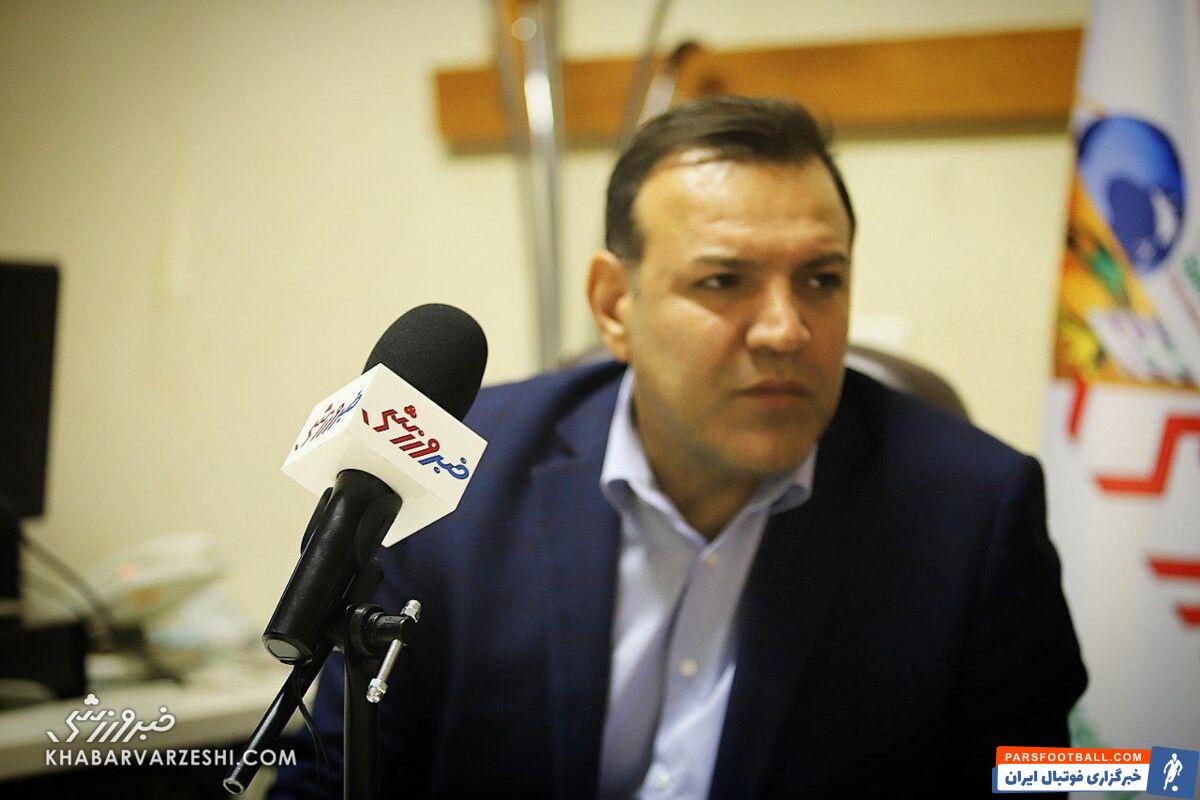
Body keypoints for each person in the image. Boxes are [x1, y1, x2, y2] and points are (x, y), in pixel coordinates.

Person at [270, 95, 1087, 798]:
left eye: (822, 279)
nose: (786, 330)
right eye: (724, 280)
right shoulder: (457, 478)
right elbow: (334, 774)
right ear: (613, 304)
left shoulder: (973, 511)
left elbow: (1040, 776)